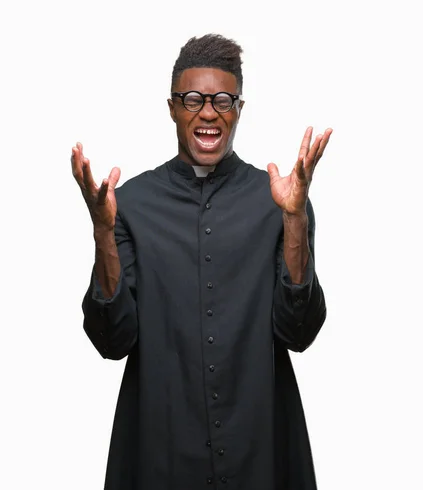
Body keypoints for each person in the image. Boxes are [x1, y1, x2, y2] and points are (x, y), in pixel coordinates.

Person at [71, 34, 332, 490]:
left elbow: (300, 332)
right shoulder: (129, 204)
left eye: (222, 100)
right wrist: (102, 233)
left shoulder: (279, 203)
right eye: (192, 99)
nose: (208, 112)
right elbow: (112, 341)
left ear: (239, 109)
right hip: (161, 453)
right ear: (172, 107)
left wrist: (294, 221)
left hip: (260, 450)